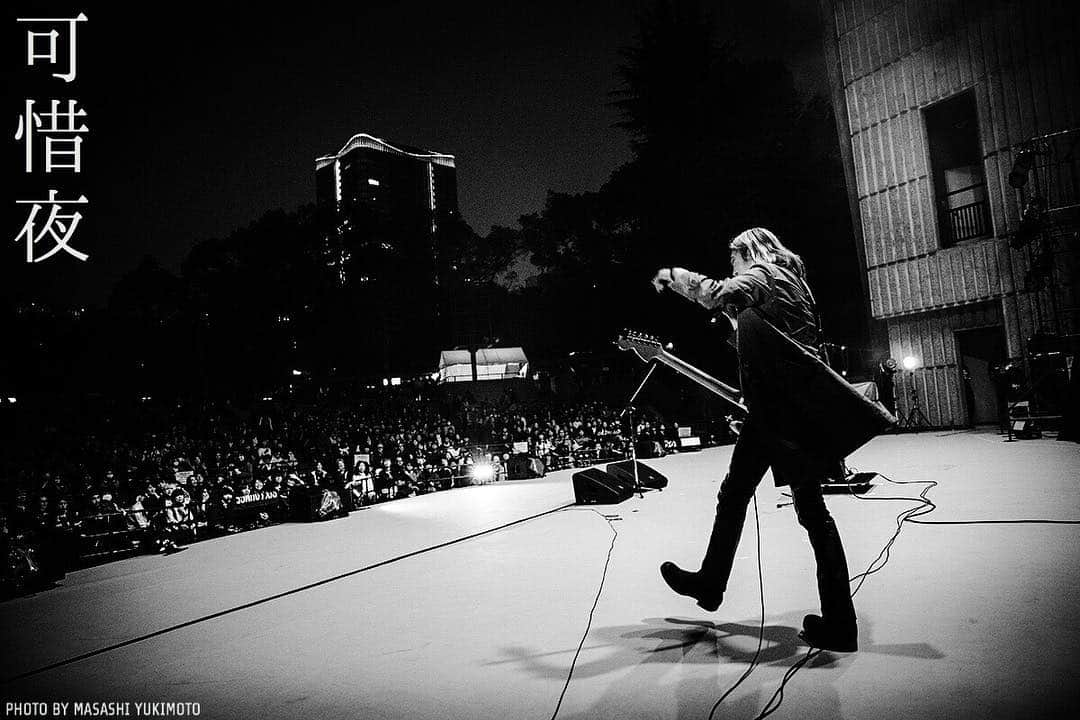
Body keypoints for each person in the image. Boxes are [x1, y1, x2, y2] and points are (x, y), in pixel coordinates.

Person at [651, 226, 858, 652]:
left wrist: (675, 275)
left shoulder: (764, 274)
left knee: (751, 498)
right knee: (791, 507)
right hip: (791, 407)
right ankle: (838, 620)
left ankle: (712, 584)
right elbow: (765, 341)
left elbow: (719, 293)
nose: (733, 266)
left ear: (748, 251)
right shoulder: (793, 284)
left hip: (779, 412)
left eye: (734, 259)